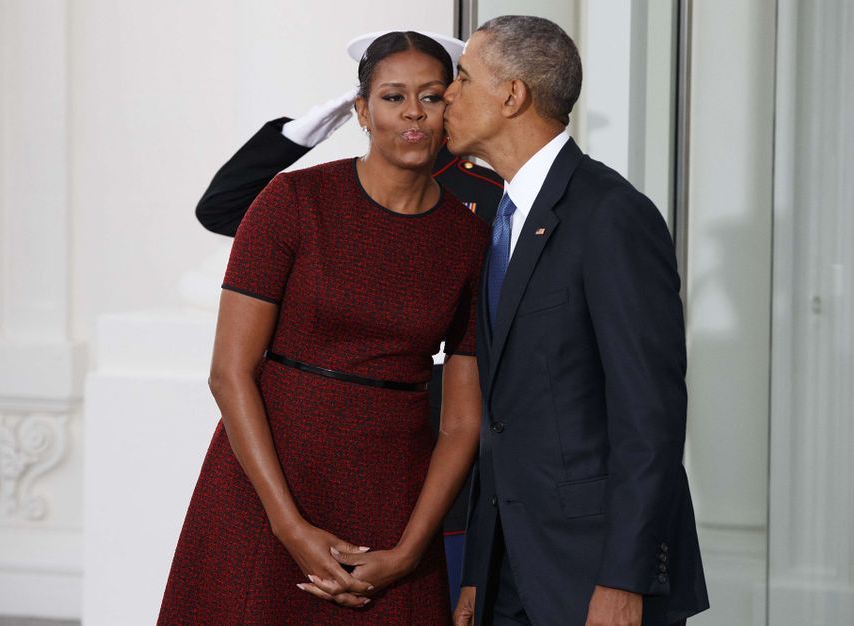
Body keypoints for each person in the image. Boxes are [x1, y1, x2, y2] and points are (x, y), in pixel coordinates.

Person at [158, 31, 487, 624]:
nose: (413, 112)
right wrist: (289, 527)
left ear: (452, 106)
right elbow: (229, 373)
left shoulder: (471, 236)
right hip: (268, 484)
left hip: (394, 489)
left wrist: (412, 550)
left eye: (432, 96)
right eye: (392, 97)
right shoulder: (293, 199)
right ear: (361, 110)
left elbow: (464, 418)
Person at [445, 16, 709, 626]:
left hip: (594, 577)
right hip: (509, 573)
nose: (447, 96)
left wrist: (624, 579)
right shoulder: (501, 215)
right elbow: (505, 420)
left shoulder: (611, 215)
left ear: (512, 96)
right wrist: (477, 578)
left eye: (461, 79)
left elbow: (651, 415)